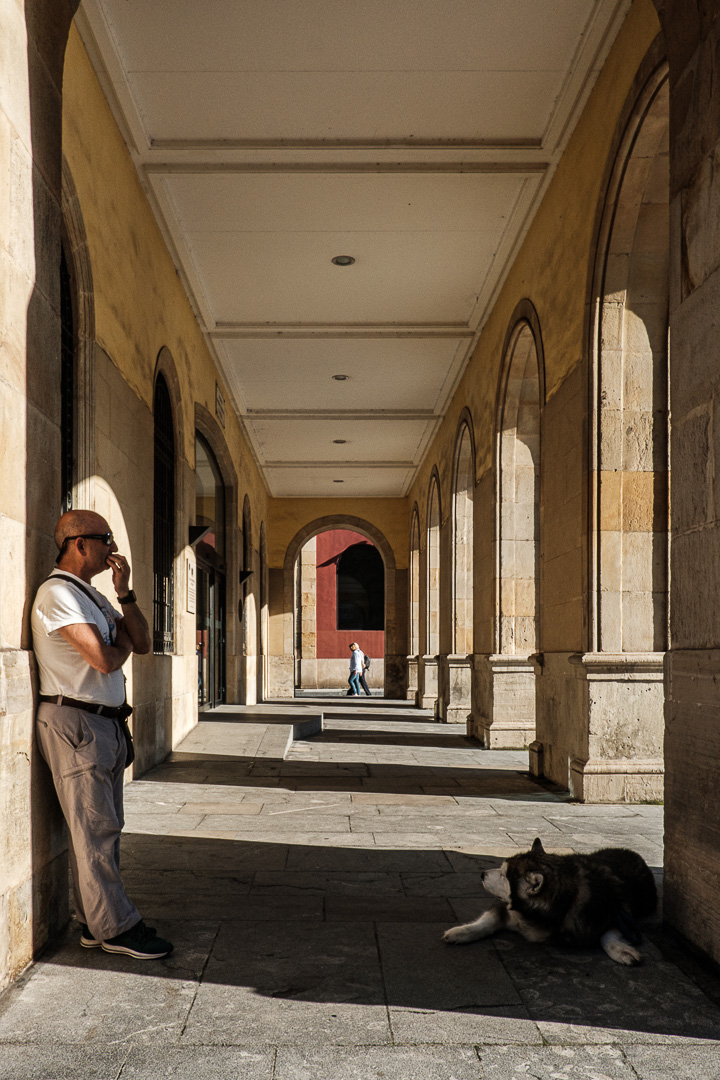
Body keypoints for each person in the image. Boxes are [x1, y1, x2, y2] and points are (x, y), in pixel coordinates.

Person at [31, 509, 174, 960]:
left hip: (103, 723)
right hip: (77, 723)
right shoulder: (57, 594)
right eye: (106, 538)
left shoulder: (89, 594)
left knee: (103, 830)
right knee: (95, 831)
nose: (113, 547)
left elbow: (142, 642)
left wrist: (125, 594)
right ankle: (119, 928)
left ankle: (95, 922)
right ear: (79, 544)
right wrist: (121, 641)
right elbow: (105, 660)